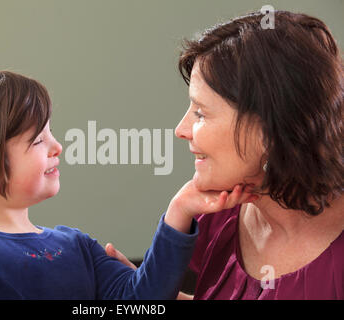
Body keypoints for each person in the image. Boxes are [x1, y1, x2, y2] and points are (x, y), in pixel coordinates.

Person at [0, 70, 258, 299]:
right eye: (37, 141)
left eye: (51, 133)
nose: (56, 147)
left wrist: (179, 210)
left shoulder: (76, 246)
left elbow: (141, 300)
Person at [106, 11, 344, 299]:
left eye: (201, 113)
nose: (181, 130)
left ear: (269, 130)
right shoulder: (218, 220)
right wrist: (147, 292)